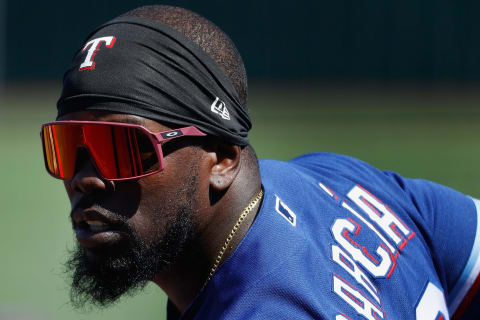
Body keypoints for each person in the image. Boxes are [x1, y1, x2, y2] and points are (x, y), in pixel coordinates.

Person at [40, 5, 480, 320]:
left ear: (224, 159)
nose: (84, 179)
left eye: (121, 148)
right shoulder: (336, 178)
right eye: (68, 146)